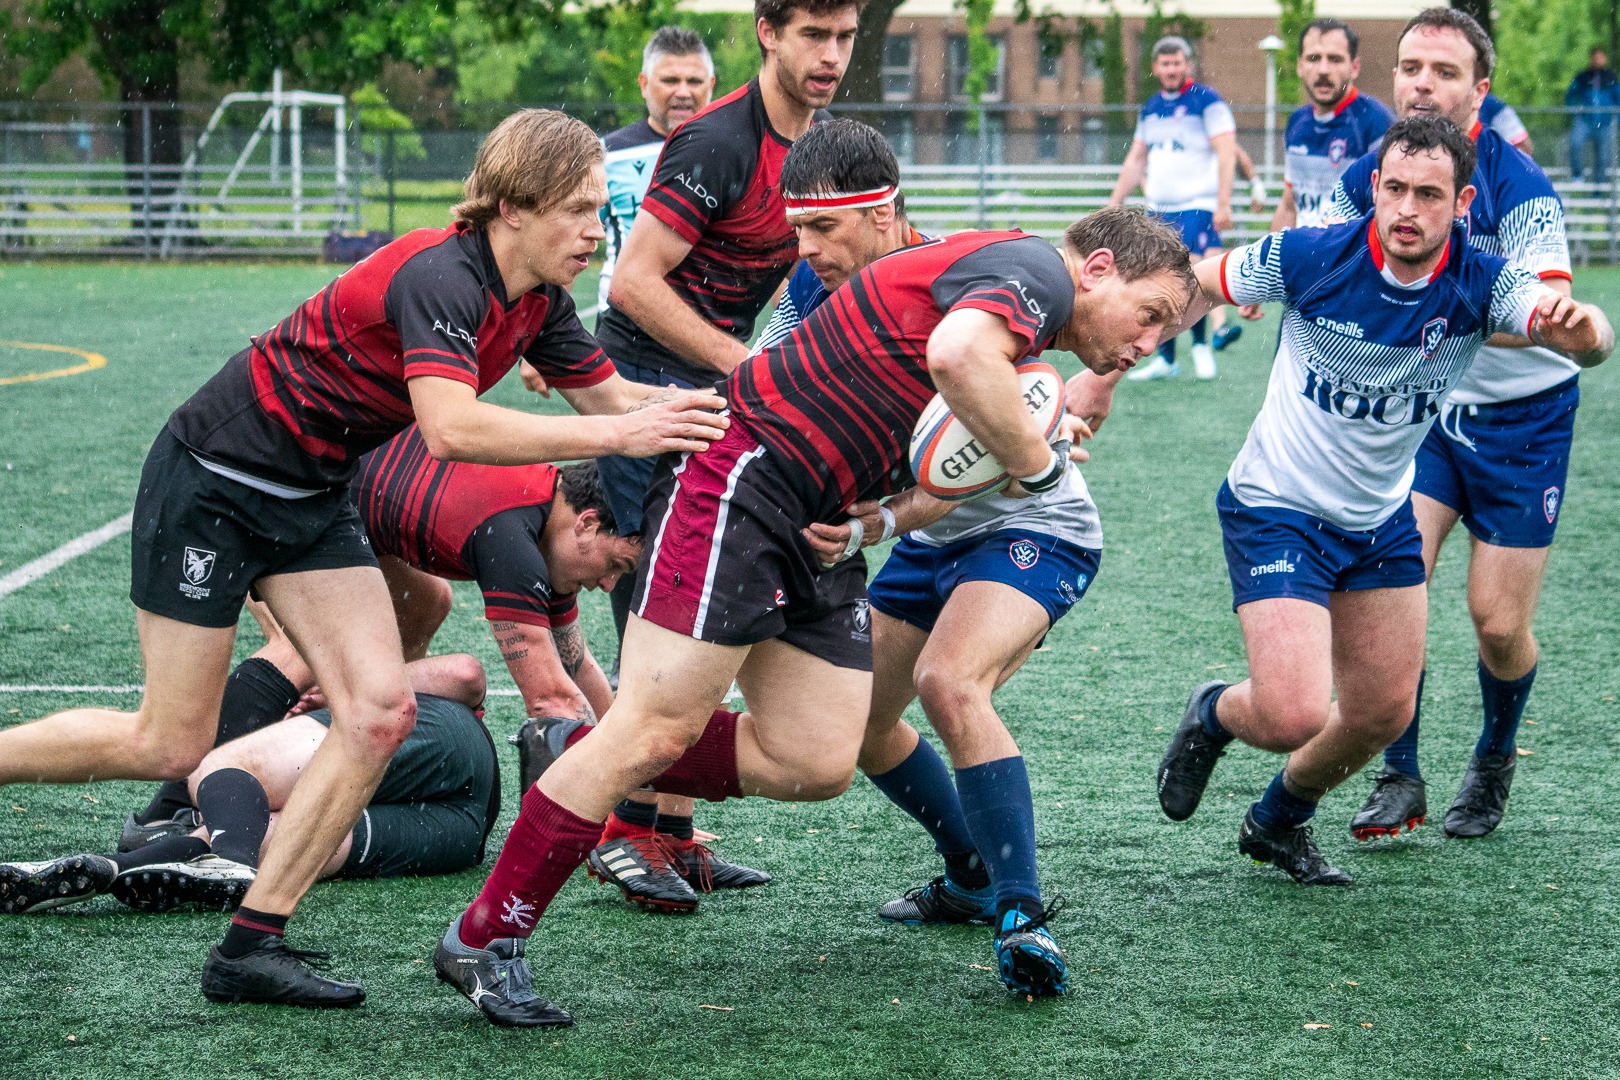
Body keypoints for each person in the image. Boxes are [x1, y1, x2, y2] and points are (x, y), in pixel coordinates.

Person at [0, 108, 730, 1009]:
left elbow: (617, 397)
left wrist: (744, 408)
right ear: (511, 207)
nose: (596, 230)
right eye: (578, 209)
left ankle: (248, 947)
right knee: (171, 740)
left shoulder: (536, 299)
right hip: (214, 482)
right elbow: (450, 428)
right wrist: (621, 434)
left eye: (596, 211)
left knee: (380, 714)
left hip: (312, 496)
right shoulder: (442, 275)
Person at [433, 205, 1196, 1027]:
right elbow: (957, 356)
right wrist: (1040, 465)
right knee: (653, 732)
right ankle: (485, 936)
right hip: (745, 481)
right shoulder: (1036, 271)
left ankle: (579, 750)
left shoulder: (1021, 326)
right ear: (1098, 269)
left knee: (816, 757)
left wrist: (895, 512)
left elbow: (947, 450)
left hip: (818, 520)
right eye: (1150, 313)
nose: (1149, 342)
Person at [1149, 116, 1611, 886]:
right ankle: (1213, 713)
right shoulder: (1310, 254)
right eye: (1394, 188)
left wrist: (1586, 332)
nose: (1406, 208)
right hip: (1278, 506)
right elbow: (1195, 283)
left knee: (1381, 714)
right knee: (1292, 712)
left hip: (1378, 518)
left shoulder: (1484, 282)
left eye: (1428, 194)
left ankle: (1277, 821)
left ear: (1462, 204)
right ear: (1374, 187)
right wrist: (1102, 375)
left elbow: (1582, 336)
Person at [754, 119, 1109, 997]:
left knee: (952, 684)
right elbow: (773, 383)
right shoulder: (809, 289)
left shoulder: (965, 278)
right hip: (924, 533)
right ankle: (972, 872)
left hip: (1027, 525)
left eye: (822, 227)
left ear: (881, 213)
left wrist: (1044, 427)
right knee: (860, 727)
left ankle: (1022, 913)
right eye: (796, 229)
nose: (805, 249)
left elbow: (1017, 414)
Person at [1325, 9, 1592, 842]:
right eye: (1411, 67)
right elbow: (1320, 257)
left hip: (1526, 422)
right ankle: (1400, 775)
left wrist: (1440, 305)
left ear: (1480, 89)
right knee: (1390, 589)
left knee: (1498, 623)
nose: (1422, 84)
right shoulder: (1375, 171)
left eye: (1444, 72)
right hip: (1428, 417)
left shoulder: (1519, 184)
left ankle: (1495, 755)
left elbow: (1543, 314)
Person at [355, 439, 768, 911]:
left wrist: (640, 778)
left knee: (428, 608)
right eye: (615, 565)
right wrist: (612, 800)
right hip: (312, 509)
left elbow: (580, 666)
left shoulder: (548, 530)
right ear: (587, 524)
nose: (608, 585)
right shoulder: (514, 540)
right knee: (327, 665)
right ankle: (299, 739)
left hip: (360, 517)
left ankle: (657, 833)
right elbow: (551, 701)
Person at [1, 646, 497, 916]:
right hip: (462, 833)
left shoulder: (385, 684)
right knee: (291, 836)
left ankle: (231, 862)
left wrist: (340, 690)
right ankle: (116, 869)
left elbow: (465, 672)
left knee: (218, 764)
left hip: (449, 742)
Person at [1108, 34, 1236, 381]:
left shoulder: (1207, 101)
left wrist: (1223, 202)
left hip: (1196, 205)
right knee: (1156, 281)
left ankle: (1201, 346)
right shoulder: (1150, 108)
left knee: (1190, 277)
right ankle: (1166, 358)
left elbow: (1227, 152)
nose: (1171, 69)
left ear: (1187, 65)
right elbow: (1137, 159)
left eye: (1177, 62)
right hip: (1159, 208)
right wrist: (1115, 202)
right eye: (1165, 64)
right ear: (1156, 67)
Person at [595, 27, 717, 313]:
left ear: (711, 85)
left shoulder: (734, 153)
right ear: (644, 83)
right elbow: (566, 241)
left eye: (694, 81)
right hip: (621, 322)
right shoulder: (607, 154)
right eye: (670, 80)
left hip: (706, 325)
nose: (683, 92)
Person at [1272, 18, 1394, 230]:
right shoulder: (1296, 123)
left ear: (1354, 67)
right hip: (1305, 247)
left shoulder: (1377, 122)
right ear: (1300, 66)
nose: (1323, 70)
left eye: (1335, 59)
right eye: (1313, 58)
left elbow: (1388, 209)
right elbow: (1289, 206)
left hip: (1352, 250)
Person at [1566, 48, 1619, 183]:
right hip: (1584, 121)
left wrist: (1616, 120)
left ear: (1604, 59)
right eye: (1595, 58)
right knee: (1575, 144)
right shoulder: (1582, 77)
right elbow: (1570, 96)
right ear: (1591, 59)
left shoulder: (1611, 78)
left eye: (1600, 58)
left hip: (1605, 123)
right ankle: (1577, 176)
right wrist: (1575, 110)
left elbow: (1618, 99)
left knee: (1603, 156)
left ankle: (1599, 185)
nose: (1597, 61)